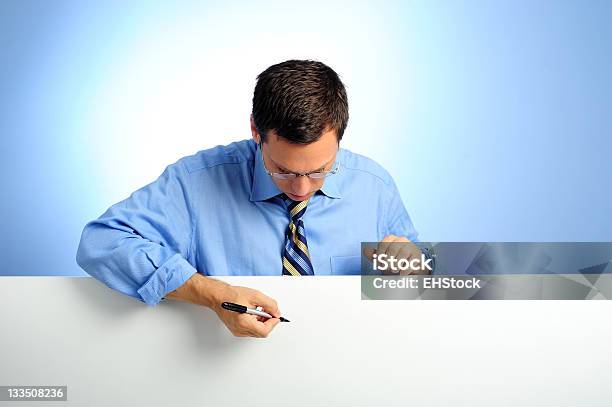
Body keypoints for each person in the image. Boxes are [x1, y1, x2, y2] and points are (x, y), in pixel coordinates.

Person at [76, 59, 428, 338]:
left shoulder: (374, 186)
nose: (302, 188)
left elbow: (426, 288)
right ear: (256, 131)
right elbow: (102, 242)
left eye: (322, 169)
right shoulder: (195, 183)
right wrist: (211, 294)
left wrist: (410, 270)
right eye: (283, 170)